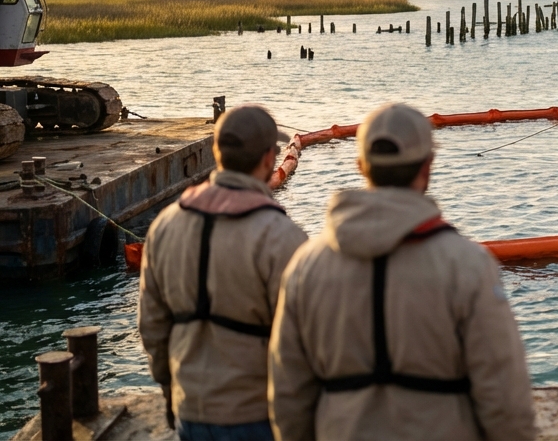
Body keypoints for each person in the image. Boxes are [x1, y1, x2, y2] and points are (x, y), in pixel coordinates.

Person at [269, 102, 535, 441]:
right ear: (427, 166)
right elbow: (504, 396)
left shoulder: (307, 266)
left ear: (360, 165)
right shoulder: (466, 265)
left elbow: (288, 395)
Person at [139, 104, 307, 441]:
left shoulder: (165, 227)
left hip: (191, 411)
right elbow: (302, 345)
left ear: (217, 153)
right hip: (259, 415)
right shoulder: (282, 238)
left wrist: (171, 393)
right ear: (267, 160)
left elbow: (153, 329)